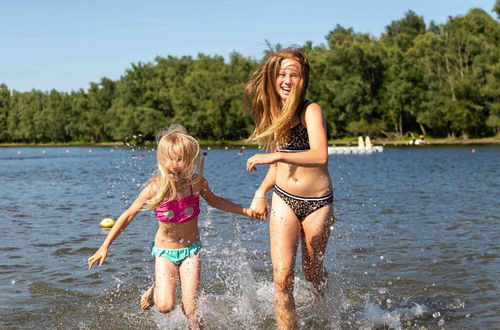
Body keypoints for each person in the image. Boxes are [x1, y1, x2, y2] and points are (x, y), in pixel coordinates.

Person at [88, 124, 256, 329]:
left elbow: (217, 201)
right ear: (161, 160)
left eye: (180, 159)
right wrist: (105, 246)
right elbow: (128, 215)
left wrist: (246, 211)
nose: (174, 165)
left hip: (190, 251)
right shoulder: (155, 188)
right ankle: (156, 287)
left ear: (190, 160)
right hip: (165, 252)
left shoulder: (196, 184)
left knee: (191, 309)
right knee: (165, 306)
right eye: (170, 159)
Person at [243, 48, 334, 329]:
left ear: (302, 79)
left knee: (312, 271)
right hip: (284, 198)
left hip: (318, 203)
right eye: (281, 74)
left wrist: (277, 155)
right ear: (273, 78)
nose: (286, 79)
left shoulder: (311, 110)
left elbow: (320, 155)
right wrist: (260, 193)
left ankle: (327, 316)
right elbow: (276, 168)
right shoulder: (274, 114)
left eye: (293, 74)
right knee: (282, 278)